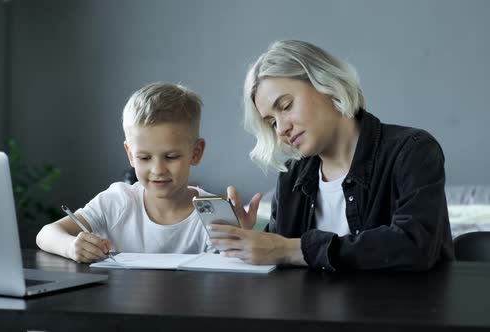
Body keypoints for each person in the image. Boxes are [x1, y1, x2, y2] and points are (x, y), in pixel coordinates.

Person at [209, 40, 454, 271]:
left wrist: (293, 249)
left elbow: (415, 245)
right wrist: (246, 243)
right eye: (272, 122)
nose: (281, 129)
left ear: (326, 84)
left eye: (285, 106)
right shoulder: (291, 177)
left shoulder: (412, 150)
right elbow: (280, 259)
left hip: (403, 313)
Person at [37, 82, 213, 263]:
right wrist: (72, 247)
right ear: (130, 154)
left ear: (196, 152)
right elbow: (46, 234)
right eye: (144, 158)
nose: (158, 170)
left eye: (171, 157)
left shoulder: (213, 214)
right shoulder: (116, 202)